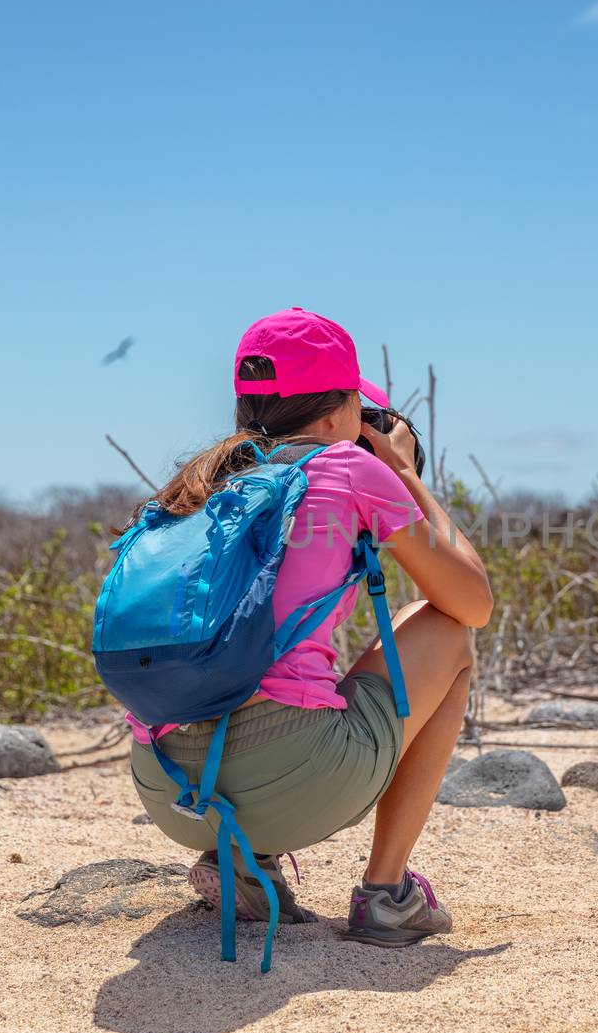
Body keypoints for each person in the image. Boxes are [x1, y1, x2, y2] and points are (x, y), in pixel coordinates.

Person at [124, 306, 492, 947]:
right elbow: (473, 601)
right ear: (333, 416)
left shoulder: (201, 480)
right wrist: (402, 472)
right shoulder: (352, 471)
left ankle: (240, 863)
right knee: (445, 632)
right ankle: (388, 896)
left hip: (170, 791)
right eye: (357, 406)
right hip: (290, 785)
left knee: (271, 667)